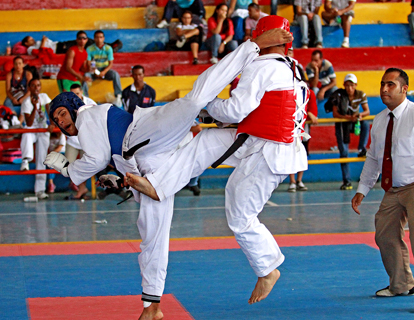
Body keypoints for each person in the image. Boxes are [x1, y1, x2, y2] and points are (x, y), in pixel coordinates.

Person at [44, 28, 293, 320]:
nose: (60, 121)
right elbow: (107, 158)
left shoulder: (87, 116)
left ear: (73, 108)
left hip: (147, 132)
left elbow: (96, 157)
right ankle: (152, 306)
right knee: (152, 234)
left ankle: (250, 47)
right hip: (151, 169)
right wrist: (114, 176)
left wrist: (67, 169)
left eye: (61, 113)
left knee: (192, 101)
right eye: (55, 120)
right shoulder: (88, 134)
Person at [123, 16, 308, 306]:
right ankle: (158, 185)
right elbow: (255, 110)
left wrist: (207, 103)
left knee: (240, 214)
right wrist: (210, 114)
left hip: (267, 150)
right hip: (257, 139)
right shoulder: (292, 68)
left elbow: (236, 109)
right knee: (207, 141)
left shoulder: (263, 67)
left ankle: (268, 268)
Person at [351, 68, 414, 314]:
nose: (384, 89)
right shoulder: (380, 119)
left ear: (404, 89)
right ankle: (402, 284)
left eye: (391, 85)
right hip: (393, 189)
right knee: (384, 232)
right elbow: (373, 158)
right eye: (383, 84)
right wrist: (362, 189)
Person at [330, 73, 370, 190]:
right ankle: (347, 181)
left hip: (354, 122)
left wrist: (360, 115)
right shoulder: (338, 95)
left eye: (352, 85)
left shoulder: (360, 94)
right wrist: (348, 117)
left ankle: (362, 148)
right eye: (347, 85)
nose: (349, 88)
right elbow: (335, 114)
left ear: (356, 85)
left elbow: (367, 111)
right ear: (344, 85)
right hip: (343, 125)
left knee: (366, 123)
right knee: (344, 153)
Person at [286, 47, 318, 192]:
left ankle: (299, 180)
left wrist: (311, 113)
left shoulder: (308, 92)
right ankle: (292, 181)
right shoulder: (287, 92)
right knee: (290, 153)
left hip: (302, 128)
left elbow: (313, 108)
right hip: (289, 128)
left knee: (302, 152)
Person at [20, 78, 54, 199]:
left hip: (43, 130)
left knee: (42, 160)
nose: (36, 88)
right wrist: (34, 107)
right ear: (29, 88)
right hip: (32, 129)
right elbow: (28, 123)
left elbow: (50, 112)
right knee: (26, 132)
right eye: (33, 86)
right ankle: (25, 160)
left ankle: (40, 191)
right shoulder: (26, 102)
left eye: (38, 85)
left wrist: (52, 124)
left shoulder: (44, 97)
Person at [66, 83, 96, 200]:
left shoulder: (91, 104)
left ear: (82, 92)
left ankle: (81, 189)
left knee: (85, 166)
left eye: (77, 93)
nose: (76, 96)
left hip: (86, 141)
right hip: (73, 140)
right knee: (67, 166)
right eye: (73, 94)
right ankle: (79, 186)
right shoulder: (66, 105)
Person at [86, 30, 122, 107]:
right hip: (93, 70)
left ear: (104, 38)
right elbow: (88, 62)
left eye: (101, 37)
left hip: (105, 70)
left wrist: (104, 72)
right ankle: (85, 98)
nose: (99, 39)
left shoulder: (108, 48)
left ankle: (118, 96)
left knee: (115, 74)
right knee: (86, 76)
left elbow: (110, 63)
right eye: (97, 37)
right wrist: (95, 71)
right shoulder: (89, 49)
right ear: (94, 38)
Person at [4, 56, 33, 121]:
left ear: (23, 64)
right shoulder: (10, 75)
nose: (18, 66)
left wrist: (23, 98)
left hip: (25, 95)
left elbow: (30, 90)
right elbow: (8, 90)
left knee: (27, 103)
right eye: (16, 64)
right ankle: (13, 119)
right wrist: (13, 99)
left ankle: (20, 123)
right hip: (13, 96)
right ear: (13, 65)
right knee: (7, 103)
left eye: (20, 63)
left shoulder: (28, 74)